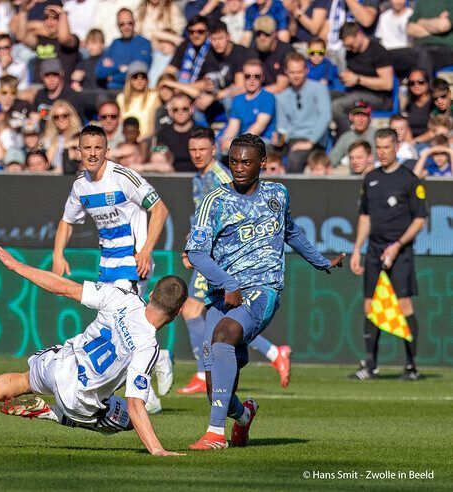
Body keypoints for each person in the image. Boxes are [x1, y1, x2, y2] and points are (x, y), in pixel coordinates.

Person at [0, 243, 187, 457]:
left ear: (151, 295)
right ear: (177, 313)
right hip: (78, 399)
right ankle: (50, 412)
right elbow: (137, 404)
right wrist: (157, 449)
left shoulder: (122, 297)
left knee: (23, 380)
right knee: (123, 419)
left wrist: (16, 265)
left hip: (59, 363)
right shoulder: (148, 346)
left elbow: (63, 288)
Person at [185, 133, 345, 450]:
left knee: (224, 335)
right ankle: (243, 416)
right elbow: (197, 253)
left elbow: (290, 231)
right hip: (223, 295)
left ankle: (215, 434)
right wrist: (229, 284)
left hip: (263, 289)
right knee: (215, 388)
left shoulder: (277, 194)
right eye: (233, 161)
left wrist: (320, 261)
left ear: (263, 163)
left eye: (246, 162)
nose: (239, 168)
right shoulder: (214, 202)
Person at [51, 124, 172, 414]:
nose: (92, 153)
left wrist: (145, 250)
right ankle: (159, 359)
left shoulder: (122, 177)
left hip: (132, 260)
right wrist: (58, 254)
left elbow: (160, 209)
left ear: (107, 150)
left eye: (97, 148)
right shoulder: (81, 185)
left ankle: (148, 387)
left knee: (119, 321)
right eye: (87, 148)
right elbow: (67, 220)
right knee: (115, 324)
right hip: (107, 263)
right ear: (79, 151)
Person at [178, 128, 291, 395]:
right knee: (207, 315)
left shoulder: (219, 178)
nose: (197, 155)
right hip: (209, 252)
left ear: (214, 150)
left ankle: (203, 371)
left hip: (219, 259)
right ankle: (274, 353)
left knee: (196, 311)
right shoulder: (199, 177)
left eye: (202, 150)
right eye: (192, 150)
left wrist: (198, 250)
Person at [349, 128, 428, 381]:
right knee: (370, 305)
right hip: (374, 250)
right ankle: (370, 365)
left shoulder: (409, 179)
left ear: (397, 147)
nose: (383, 152)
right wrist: (357, 248)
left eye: (387, 147)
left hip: (400, 252)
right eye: (379, 147)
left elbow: (419, 219)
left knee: (404, 304)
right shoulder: (370, 178)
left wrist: (397, 245)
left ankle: (411, 366)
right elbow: (365, 216)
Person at [274, 51, 331, 173]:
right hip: (292, 139)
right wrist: (279, 140)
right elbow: (283, 127)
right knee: (261, 151)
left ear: (306, 71)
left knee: (295, 158)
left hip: (315, 140)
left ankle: (294, 191)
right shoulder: (282, 96)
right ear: (286, 72)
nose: (296, 76)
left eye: (299, 72)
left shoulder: (319, 88)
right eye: (292, 72)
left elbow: (325, 116)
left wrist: (310, 142)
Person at [334, 22, 394, 135]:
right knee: (323, 95)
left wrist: (358, 79)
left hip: (377, 97)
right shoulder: (350, 52)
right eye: (347, 46)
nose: (349, 49)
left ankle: (348, 140)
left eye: (351, 45)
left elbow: (387, 84)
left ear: (359, 35)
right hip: (353, 92)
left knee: (337, 106)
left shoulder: (378, 52)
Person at [218, 59, 275, 155]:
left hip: (263, 141)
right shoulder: (238, 99)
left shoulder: (268, 97)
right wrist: (223, 142)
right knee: (218, 148)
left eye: (256, 76)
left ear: (262, 78)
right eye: (247, 76)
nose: (251, 80)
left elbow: (259, 127)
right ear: (243, 77)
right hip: (243, 140)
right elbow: (233, 126)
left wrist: (236, 143)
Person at [95, 8, 152, 91]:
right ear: (117, 26)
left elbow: (137, 73)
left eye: (130, 23)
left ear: (134, 23)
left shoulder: (144, 44)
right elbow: (99, 71)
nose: (126, 27)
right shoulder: (115, 43)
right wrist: (119, 67)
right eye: (122, 24)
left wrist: (113, 76)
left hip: (133, 91)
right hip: (111, 90)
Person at [116, 61, 160, 140]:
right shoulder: (120, 98)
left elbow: (154, 124)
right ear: (129, 79)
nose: (140, 80)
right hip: (126, 142)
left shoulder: (154, 97)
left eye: (143, 77)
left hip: (146, 141)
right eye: (135, 76)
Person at [154, 92, 195, 173]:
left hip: (197, 176)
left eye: (184, 109)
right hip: (170, 178)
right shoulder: (162, 134)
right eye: (175, 109)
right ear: (170, 112)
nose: (180, 112)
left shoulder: (201, 132)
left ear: (191, 110)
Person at [251, 16, 293, 94]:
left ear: (274, 34)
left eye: (266, 34)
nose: (262, 37)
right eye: (258, 34)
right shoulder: (253, 51)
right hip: (261, 94)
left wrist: (255, 93)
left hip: (283, 95)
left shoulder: (286, 51)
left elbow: (280, 87)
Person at [328, 99, 375, 168]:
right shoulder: (346, 137)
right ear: (351, 117)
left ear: (369, 118)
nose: (360, 119)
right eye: (357, 115)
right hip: (354, 174)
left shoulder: (377, 135)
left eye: (364, 115)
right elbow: (334, 158)